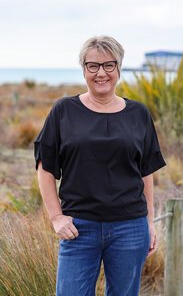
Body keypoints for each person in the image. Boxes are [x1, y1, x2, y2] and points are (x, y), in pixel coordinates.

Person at [34, 35, 166, 296]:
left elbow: (145, 172)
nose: (101, 73)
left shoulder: (138, 114)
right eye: (92, 66)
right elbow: (45, 168)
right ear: (83, 69)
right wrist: (56, 217)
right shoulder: (63, 110)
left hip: (130, 227)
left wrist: (149, 223)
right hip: (79, 228)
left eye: (109, 65)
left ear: (118, 68)